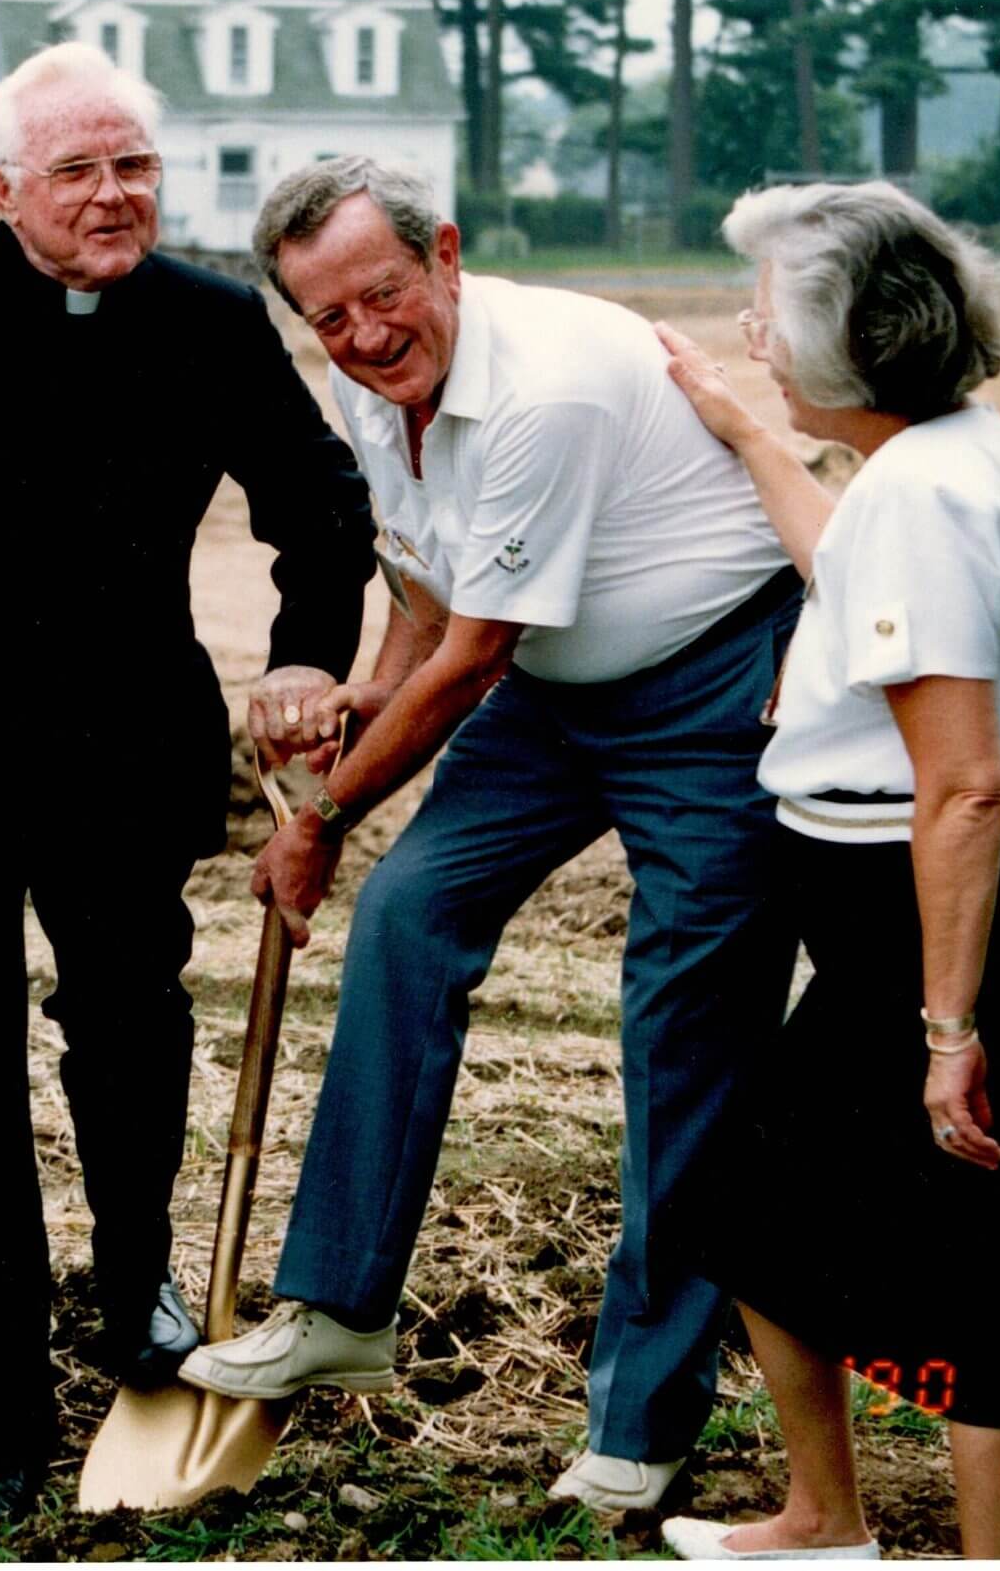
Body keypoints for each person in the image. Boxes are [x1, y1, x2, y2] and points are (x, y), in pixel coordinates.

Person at [0, 43, 374, 1517]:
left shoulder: (210, 320)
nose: (115, 195)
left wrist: (307, 652)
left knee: (130, 1041)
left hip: (122, 752)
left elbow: (321, 502)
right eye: (78, 171)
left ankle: (135, 1297)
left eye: (135, 166)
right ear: (1, 186)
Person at [176, 156, 804, 1519]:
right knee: (410, 914)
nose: (362, 335)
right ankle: (340, 1304)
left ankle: (641, 1423)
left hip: (713, 686)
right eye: (326, 316)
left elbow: (468, 659)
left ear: (445, 255)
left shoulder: (544, 385)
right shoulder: (370, 380)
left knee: (684, 1025)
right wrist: (361, 708)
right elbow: (422, 596)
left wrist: (324, 818)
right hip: (550, 691)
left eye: (383, 294)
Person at [644, 182, 1000, 1562]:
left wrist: (948, 1030)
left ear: (857, 339)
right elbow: (847, 568)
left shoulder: (919, 492)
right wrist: (743, 429)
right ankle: (820, 1518)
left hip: (948, 928)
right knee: (759, 1212)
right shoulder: (956, 451)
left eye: (771, 319)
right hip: (920, 924)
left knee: (978, 1275)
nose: (757, 341)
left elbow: (963, 788)